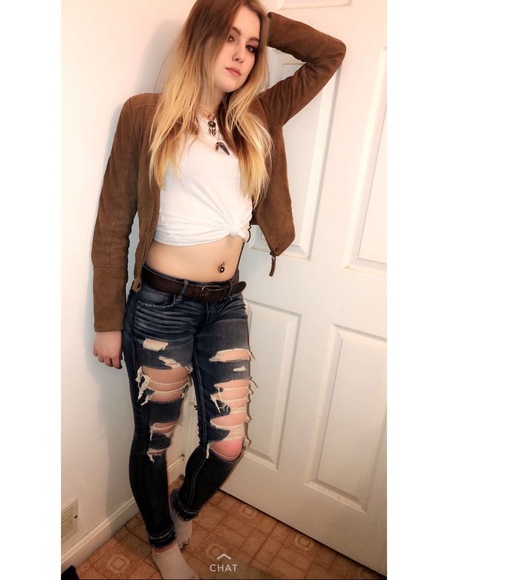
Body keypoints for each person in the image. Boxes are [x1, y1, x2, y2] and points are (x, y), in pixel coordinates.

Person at [91, 0, 345, 577]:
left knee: (228, 442)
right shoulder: (145, 113)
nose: (242, 55)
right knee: (154, 439)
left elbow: (329, 55)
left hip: (225, 304)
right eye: (229, 36)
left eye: (251, 45)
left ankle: (183, 507)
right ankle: (161, 544)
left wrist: (266, 22)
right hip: (160, 307)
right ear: (200, 35)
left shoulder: (257, 116)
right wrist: (108, 320)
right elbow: (112, 223)